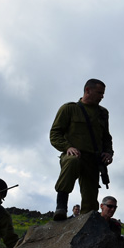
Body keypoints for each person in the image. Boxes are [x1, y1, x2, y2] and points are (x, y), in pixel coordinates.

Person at [50, 78, 113, 221]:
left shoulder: (103, 113)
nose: (102, 96)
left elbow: (106, 137)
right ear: (87, 90)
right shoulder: (69, 109)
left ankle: (86, 225)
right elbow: (55, 134)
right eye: (99, 93)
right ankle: (61, 207)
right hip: (74, 154)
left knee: (90, 204)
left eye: (103, 93)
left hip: (93, 159)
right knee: (71, 161)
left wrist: (108, 153)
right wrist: (67, 147)